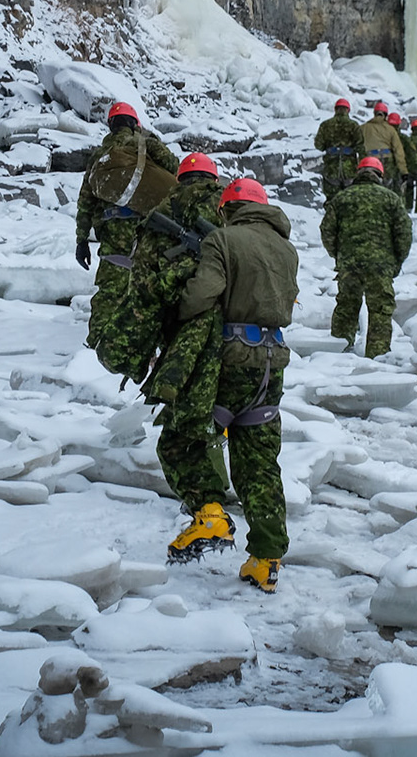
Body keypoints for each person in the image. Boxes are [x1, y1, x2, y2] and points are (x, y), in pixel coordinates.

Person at [154, 177, 300, 593]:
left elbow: (204, 292)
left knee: (180, 440)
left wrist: (178, 314)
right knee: (258, 460)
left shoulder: (222, 239)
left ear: (228, 207)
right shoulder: (287, 250)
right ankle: (266, 558)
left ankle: (211, 514)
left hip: (228, 360)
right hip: (272, 363)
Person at [88, 151, 222, 388]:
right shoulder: (226, 207)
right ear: (215, 179)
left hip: (170, 311)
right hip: (217, 311)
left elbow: (141, 270)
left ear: (179, 179)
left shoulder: (160, 209)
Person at [75, 101, 179, 349]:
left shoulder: (100, 155)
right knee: (148, 284)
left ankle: (97, 343)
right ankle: (144, 343)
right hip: (148, 227)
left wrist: (81, 240)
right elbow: (175, 168)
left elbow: (85, 200)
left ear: (111, 124)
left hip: (112, 228)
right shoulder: (146, 143)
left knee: (111, 287)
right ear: (135, 123)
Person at [320, 155, 412, 357]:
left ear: (358, 173)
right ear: (380, 175)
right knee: (380, 310)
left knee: (346, 306)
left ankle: (338, 354)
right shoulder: (391, 199)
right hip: (381, 266)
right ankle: (377, 357)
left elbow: (327, 231)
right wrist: (396, 262)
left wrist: (338, 255)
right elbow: (404, 234)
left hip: (349, 265)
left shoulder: (341, 198)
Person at [314, 98, 364, 202]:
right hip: (349, 168)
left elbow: (318, 145)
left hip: (331, 168)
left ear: (335, 109)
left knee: (332, 201)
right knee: (350, 200)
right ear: (348, 110)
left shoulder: (325, 125)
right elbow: (360, 146)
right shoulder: (354, 125)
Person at [360, 101, 408, 179]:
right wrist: (403, 171)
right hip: (387, 161)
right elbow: (398, 151)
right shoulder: (390, 129)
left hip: (370, 161)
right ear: (386, 115)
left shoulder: (363, 128)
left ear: (374, 113)